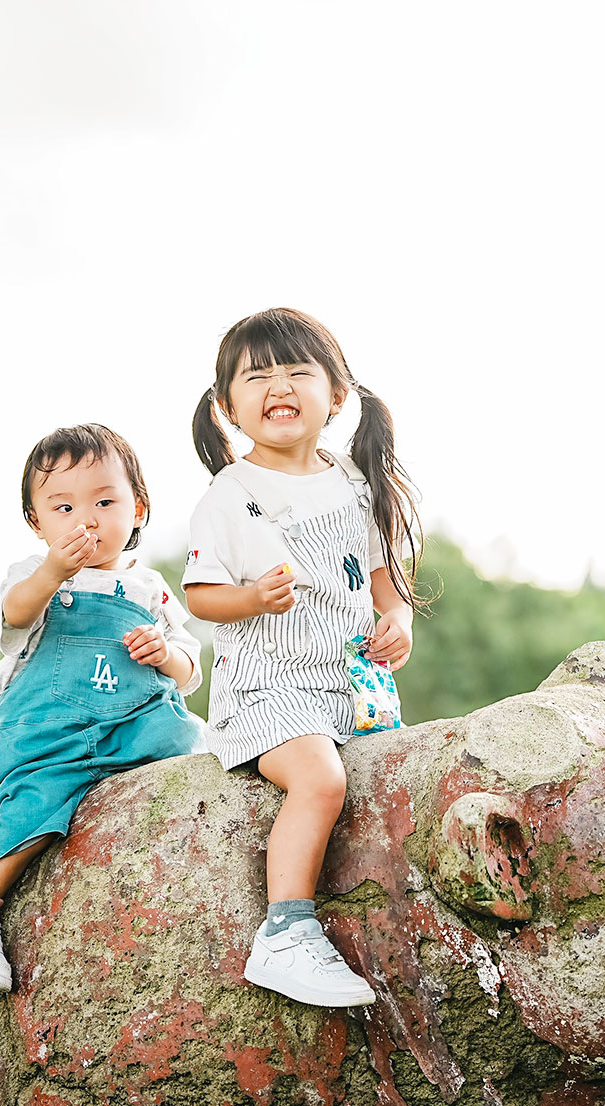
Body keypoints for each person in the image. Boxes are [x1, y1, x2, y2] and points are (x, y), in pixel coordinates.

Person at [184, 308, 426, 1007]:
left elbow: (390, 590)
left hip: (351, 685)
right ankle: (284, 934)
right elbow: (200, 595)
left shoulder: (355, 481)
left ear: (338, 394)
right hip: (268, 690)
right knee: (321, 781)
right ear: (228, 407)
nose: (278, 384)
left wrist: (398, 626)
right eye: (257, 374)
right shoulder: (232, 494)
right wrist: (253, 596)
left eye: (297, 370)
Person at [0, 424, 202, 989]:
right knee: (38, 803)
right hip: (48, 730)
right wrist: (54, 571)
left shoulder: (152, 588)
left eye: (104, 501)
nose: (87, 519)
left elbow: (192, 670)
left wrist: (165, 653)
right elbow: (17, 615)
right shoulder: (34, 574)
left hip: (130, 725)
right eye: (64, 506)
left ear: (138, 509)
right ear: (37, 522)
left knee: (192, 739)